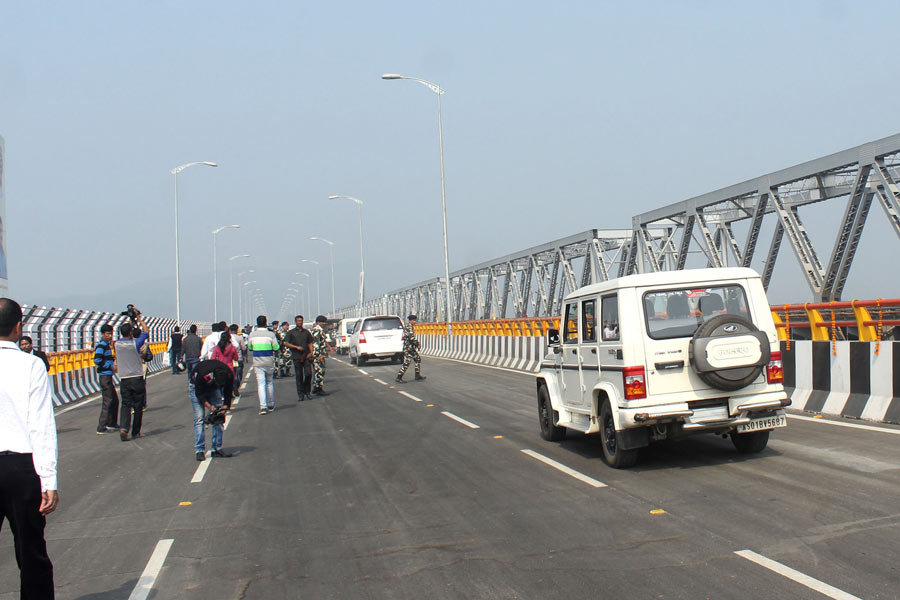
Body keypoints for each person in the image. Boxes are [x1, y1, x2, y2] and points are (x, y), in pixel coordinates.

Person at [0, 297, 58, 599]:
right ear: (19, 326)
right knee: (31, 552)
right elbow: (41, 426)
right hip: (21, 468)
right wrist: (48, 481)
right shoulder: (32, 365)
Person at [190, 358, 232, 461]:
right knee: (199, 418)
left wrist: (225, 407)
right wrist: (210, 407)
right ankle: (199, 450)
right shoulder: (203, 374)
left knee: (219, 417)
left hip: (213, 389)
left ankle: (217, 449)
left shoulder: (229, 374)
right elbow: (199, 394)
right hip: (196, 388)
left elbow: (228, 392)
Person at [115, 314, 149, 441]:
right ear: (131, 333)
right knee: (138, 406)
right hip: (137, 378)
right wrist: (138, 318)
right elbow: (146, 331)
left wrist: (130, 320)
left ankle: (124, 428)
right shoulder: (136, 343)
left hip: (124, 379)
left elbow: (126, 332)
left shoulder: (117, 344)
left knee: (125, 404)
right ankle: (136, 432)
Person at [249, 315, 279, 414]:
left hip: (258, 362)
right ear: (266, 323)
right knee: (270, 383)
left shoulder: (252, 334)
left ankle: (263, 407)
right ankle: (271, 404)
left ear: (257, 323)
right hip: (269, 361)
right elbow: (276, 347)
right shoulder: (271, 334)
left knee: (261, 384)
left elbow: (250, 347)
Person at [93, 324, 120, 434]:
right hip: (104, 376)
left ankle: (111, 422)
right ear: (103, 334)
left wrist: (110, 358)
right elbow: (97, 360)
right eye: (108, 334)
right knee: (108, 401)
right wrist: (110, 366)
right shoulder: (101, 346)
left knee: (114, 400)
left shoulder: (106, 346)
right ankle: (101, 427)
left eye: (111, 334)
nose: (110, 336)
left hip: (108, 375)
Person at [283, 315, 313, 401]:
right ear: (296, 322)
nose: (300, 322)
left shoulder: (306, 332)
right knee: (299, 375)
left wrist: (311, 353)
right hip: (297, 356)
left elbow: (310, 343)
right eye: (298, 321)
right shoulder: (291, 333)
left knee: (308, 374)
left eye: (301, 321)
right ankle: (300, 394)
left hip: (306, 355)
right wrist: (296, 347)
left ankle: (307, 391)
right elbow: (285, 343)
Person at [210, 330, 238, 409]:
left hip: (219, 370)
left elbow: (212, 358)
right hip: (229, 370)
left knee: (218, 387)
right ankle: (226, 405)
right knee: (228, 389)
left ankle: (219, 403)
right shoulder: (232, 348)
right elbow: (236, 358)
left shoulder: (217, 348)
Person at [396, 314, 426, 383]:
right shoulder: (408, 327)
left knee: (417, 359)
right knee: (407, 362)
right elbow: (411, 337)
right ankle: (399, 377)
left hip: (411, 348)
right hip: (408, 348)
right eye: (414, 320)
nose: (415, 322)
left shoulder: (410, 326)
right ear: (411, 321)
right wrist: (417, 343)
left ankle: (417, 375)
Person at [311, 315, 330, 396]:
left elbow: (322, 343)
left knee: (319, 370)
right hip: (318, 355)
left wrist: (325, 353)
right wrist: (319, 355)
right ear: (318, 322)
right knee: (319, 371)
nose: (324, 324)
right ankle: (319, 388)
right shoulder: (317, 330)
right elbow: (316, 344)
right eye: (322, 322)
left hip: (320, 353)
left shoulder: (320, 330)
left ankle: (316, 387)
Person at [229, 324, 246, 396]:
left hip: (230, 359)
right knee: (239, 374)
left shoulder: (228, 337)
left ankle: (232, 387)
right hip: (238, 358)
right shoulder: (240, 338)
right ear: (237, 330)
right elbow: (244, 348)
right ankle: (236, 386)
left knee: (231, 375)